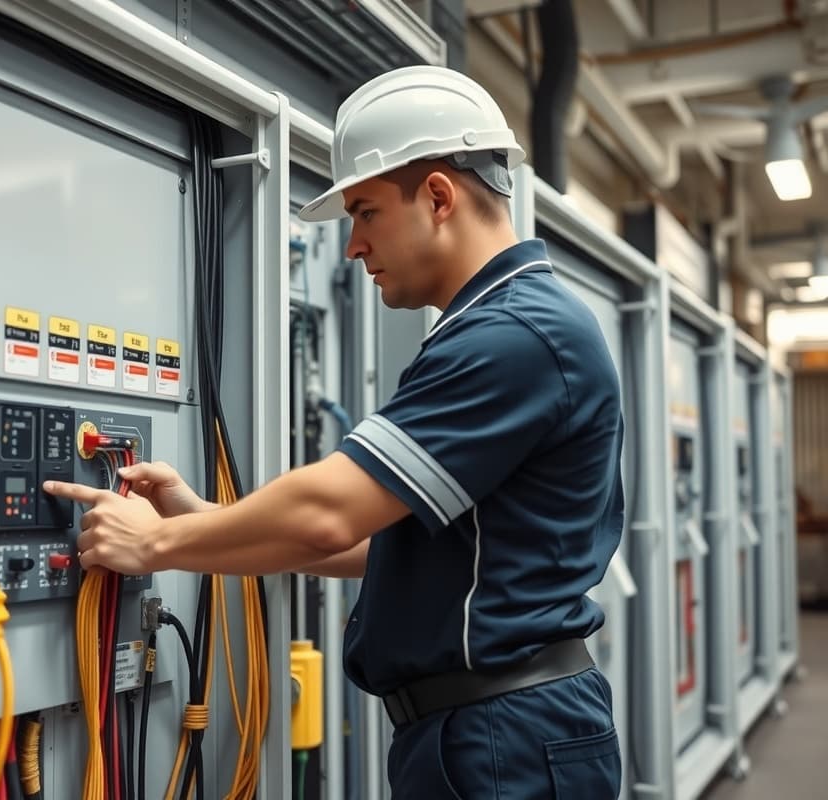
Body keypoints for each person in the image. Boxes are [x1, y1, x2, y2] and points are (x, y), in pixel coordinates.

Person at [45, 65, 624, 798]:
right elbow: (384, 544)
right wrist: (209, 521)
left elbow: (329, 514)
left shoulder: (513, 334)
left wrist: (156, 544)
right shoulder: (502, 328)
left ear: (439, 197)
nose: (353, 245)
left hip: (503, 738)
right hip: (487, 728)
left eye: (366, 211)